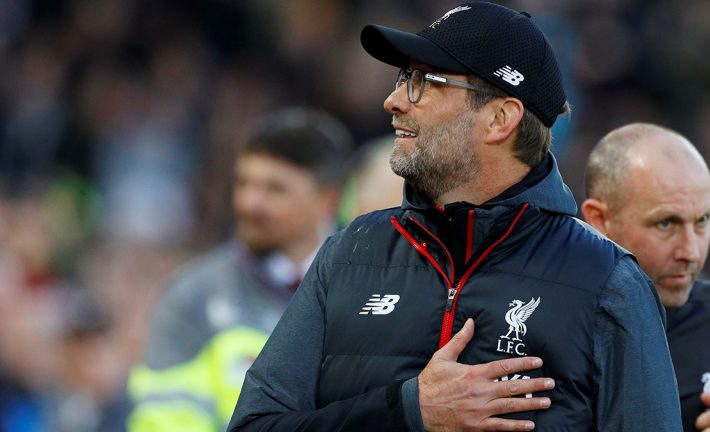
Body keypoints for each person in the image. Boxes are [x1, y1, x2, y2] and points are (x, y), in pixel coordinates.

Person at [228, 3, 681, 431]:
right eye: (403, 77)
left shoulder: (607, 281)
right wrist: (408, 411)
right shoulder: (348, 254)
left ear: (499, 119)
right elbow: (253, 424)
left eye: (424, 81)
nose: (394, 100)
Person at [126, 107, 352, 431]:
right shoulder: (191, 296)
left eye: (274, 189)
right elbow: (161, 419)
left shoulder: (369, 290)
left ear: (328, 200)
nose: (249, 203)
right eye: (244, 183)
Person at [581, 122, 710, 431]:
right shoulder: (550, 322)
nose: (691, 252)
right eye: (666, 223)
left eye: (702, 220)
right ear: (599, 220)